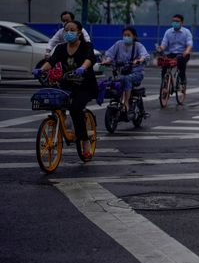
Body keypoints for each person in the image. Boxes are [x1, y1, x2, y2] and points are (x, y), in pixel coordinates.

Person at [33, 20, 98, 159]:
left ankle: (85, 141)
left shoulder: (86, 46)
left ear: (79, 32)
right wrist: (40, 70)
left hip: (85, 86)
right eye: (66, 30)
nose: (68, 32)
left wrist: (82, 68)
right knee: (54, 102)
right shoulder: (61, 48)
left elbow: (90, 58)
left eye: (72, 30)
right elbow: (52, 61)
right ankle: (62, 125)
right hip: (67, 83)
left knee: (75, 109)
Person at [102, 26, 149, 116]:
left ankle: (126, 102)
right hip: (122, 72)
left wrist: (140, 60)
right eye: (124, 35)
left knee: (126, 79)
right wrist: (107, 61)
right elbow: (110, 54)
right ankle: (119, 101)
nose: (126, 37)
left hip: (137, 73)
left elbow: (144, 55)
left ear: (134, 36)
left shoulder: (138, 46)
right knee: (115, 81)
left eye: (128, 35)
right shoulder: (118, 44)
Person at [156, 14, 193, 91]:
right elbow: (164, 44)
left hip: (183, 53)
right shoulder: (168, 32)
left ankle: (182, 79)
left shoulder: (186, 32)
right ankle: (165, 84)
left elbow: (189, 44)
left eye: (177, 21)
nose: (175, 23)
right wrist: (160, 48)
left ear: (182, 23)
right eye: (173, 21)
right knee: (164, 65)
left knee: (181, 63)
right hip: (172, 53)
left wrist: (187, 51)